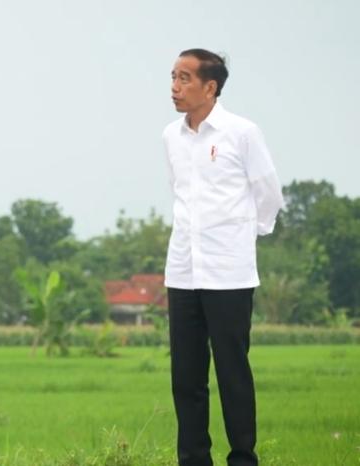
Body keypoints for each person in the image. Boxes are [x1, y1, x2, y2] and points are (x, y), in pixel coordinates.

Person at [163, 48, 284, 466]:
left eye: (184, 79)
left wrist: (241, 238)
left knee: (233, 373)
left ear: (210, 87)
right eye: (173, 78)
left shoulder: (242, 132)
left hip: (229, 275)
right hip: (182, 271)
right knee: (186, 379)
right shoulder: (170, 137)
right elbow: (180, 195)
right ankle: (194, 459)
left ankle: (242, 459)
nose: (175, 87)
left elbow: (269, 195)